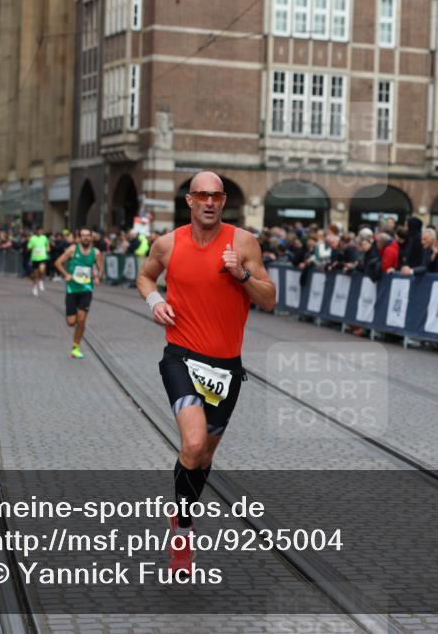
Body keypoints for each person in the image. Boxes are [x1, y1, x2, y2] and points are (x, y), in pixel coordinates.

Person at [136, 171, 276, 576]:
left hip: (226, 368)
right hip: (180, 357)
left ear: (223, 200)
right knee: (193, 444)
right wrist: (154, 301)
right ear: (190, 201)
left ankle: (183, 513)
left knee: (204, 456)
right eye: (202, 195)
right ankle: (181, 531)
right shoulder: (168, 243)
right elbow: (144, 276)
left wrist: (242, 275)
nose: (210, 202)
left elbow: (269, 299)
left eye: (217, 195)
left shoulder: (243, 243)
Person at [55, 227, 103, 359]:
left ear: (91, 237)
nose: (86, 238)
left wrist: (98, 276)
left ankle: (75, 347)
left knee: (81, 319)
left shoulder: (96, 252)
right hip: (72, 289)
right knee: (71, 322)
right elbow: (58, 263)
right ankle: (75, 321)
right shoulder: (72, 250)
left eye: (88, 235)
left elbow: (100, 267)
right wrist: (66, 275)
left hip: (86, 290)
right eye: (83, 235)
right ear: (79, 238)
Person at [27, 226, 50, 296]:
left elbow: (47, 245)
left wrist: (48, 248)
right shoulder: (33, 238)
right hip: (35, 258)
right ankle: (35, 288)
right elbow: (28, 248)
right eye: (39, 230)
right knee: (36, 274)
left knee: (42, 270)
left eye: (41, 230)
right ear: (36, 231)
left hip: (43, 257)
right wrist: (31, 248)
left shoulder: (44, 238)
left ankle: (41, 281)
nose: (40, 232)